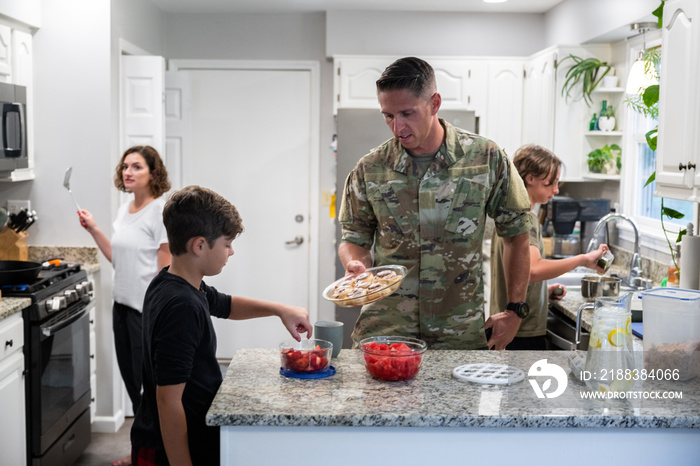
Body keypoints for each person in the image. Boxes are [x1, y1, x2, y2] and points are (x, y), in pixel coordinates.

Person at [338, 56, 533, 351]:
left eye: (407, 113)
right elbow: (354, 239)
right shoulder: (370, 168)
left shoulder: (486, 159)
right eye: (388, 115)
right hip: (387, 330)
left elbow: (517, 235)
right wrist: (356, 263)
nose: (397, 126)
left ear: (435, 103)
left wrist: (515, 310)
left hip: (458, 333)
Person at [130, 185, 312, 466]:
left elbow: (224, 305)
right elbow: (168, 401)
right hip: (171, 447)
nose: (232, 251)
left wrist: (280, 310)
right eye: (227, 244)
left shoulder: (172, 281)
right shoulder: (182, 306)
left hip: (185, 433)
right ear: (200, 245)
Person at [78, 145, 171, 466]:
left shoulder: (159, 212)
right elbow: (119, 259)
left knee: (150, 389)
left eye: (136, 167)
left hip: (146, 312)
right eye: (125, 167)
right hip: (122, 306)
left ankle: (151, 454)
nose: (127, 172)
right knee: (135, 387)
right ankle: (145, 452)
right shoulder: (124, 210)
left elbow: (165, 268)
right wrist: (94, 229)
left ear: (153, 173)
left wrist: (159, 312)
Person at [490, 144, 610, 350]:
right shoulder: (525, 219)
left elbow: (518, 273)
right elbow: (533, 270)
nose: (555, 190)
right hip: (521, 331)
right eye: (550, 183)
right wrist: (582, 259)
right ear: (530, 178)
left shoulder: (507, 214)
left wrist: (541, 293)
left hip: (507, 326)